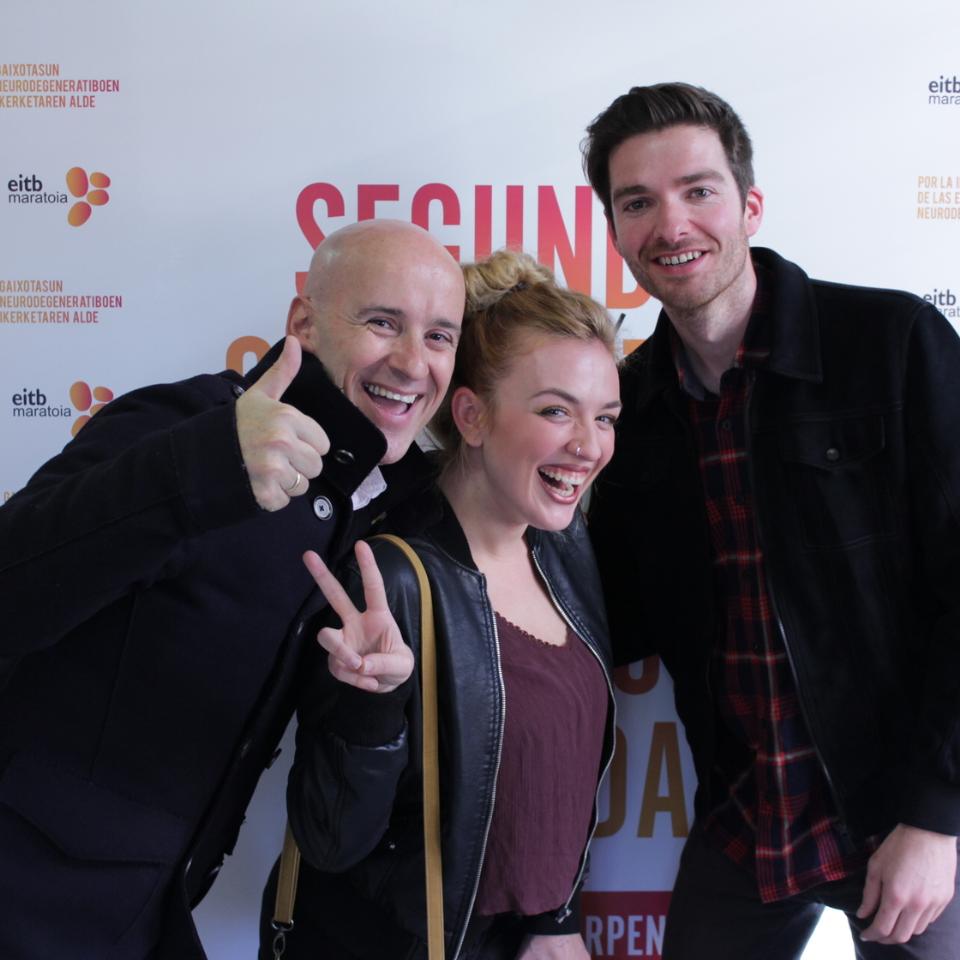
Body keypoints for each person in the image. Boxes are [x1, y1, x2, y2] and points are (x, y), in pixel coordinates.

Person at [0, 219, 465, 960]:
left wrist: (374, 702)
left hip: (147, 919)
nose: (413, 362)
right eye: (384, 323)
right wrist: (202, 466)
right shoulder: (180, 425)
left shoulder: (377, 509)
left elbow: (336, 823)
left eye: (440, 337)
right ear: (303, 324)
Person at [583, 82, 960, 958]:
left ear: (749, 204)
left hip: (906, 815)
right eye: (638, 202)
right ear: (615, 232)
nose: (670, 225)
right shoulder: (629, 410)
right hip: (748, 817)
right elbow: (613, 616)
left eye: (698, 191)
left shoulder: (892, 342)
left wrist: (937, 816)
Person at [259, 249, 621, 960]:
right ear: (472, 416)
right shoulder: (387, 575)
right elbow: (331, 839)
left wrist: (554, 919)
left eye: (605, 417)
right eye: (556, 411)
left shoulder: (564, 547)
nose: (589, 446)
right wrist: (370, 705)